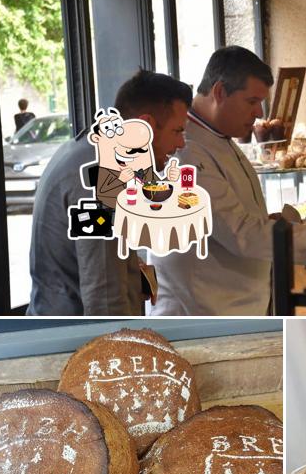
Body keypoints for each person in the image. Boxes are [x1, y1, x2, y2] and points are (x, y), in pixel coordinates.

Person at [149, 46, 306, 315]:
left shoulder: (219, 137)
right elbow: (240, 233)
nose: (259, 112)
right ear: (220, 91)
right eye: (251, 101)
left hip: (235, 306)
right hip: (203, 312)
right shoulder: (185, 149)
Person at [27, 69, 192, 315]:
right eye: (177, 131)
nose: (181, 144)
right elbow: (104, 299)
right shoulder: (100, 181)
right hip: (73, 339)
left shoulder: (86, 150)